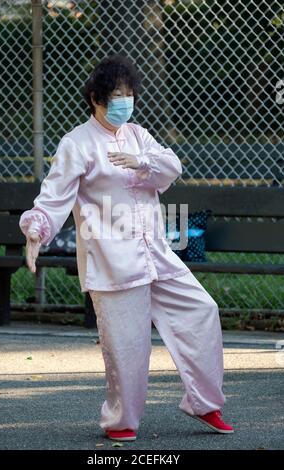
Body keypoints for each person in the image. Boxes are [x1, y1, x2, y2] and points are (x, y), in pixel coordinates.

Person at [19, 54, 234, 441]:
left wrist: (141, 161)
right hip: (113, 263)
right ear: (95, 98)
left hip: (156, 254)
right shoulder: (77, 144)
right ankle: (121, 421)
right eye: (116, 94)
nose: (124, 101)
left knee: (201, 310)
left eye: (129, 94)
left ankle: (205, 403)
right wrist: (36, 231)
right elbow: (53, 197)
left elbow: (171, 166)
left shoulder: (138, 135)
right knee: (128, 348)